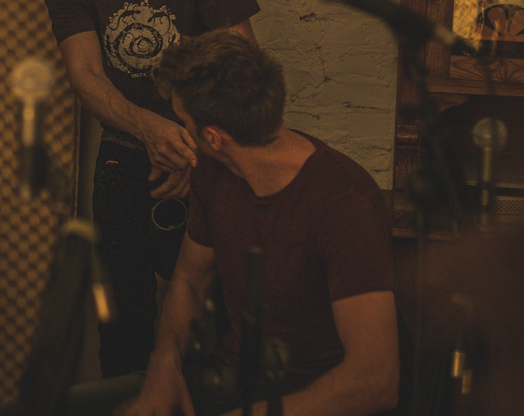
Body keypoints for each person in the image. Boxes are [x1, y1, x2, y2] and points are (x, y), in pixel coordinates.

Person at [39, 0, 259, 377]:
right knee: (122, 326)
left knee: (217, 324)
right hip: (127, 153)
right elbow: (85, 75)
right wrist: (150, 131)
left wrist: (192, 148)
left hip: (212, 147)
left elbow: (241, 61)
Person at [120, 30, 399, 416]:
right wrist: (164, 365)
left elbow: (376, 381)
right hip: (230, 381)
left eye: (183, 120)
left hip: (314, 399)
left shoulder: (344, 202)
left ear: (213, 137)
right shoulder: (212, 171)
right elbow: (189, 281)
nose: (180, 130)